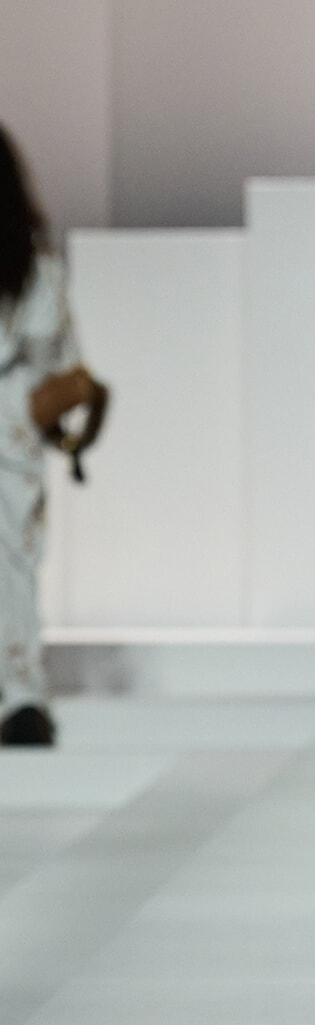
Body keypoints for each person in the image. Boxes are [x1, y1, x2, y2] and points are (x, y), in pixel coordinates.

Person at [0, 125, 107, 747]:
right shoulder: (33, 266)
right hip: (12, 430)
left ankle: (19, 698)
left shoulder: (34, 266)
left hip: (12, 428)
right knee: (12, 565)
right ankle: (20, 698)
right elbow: (62, 362)